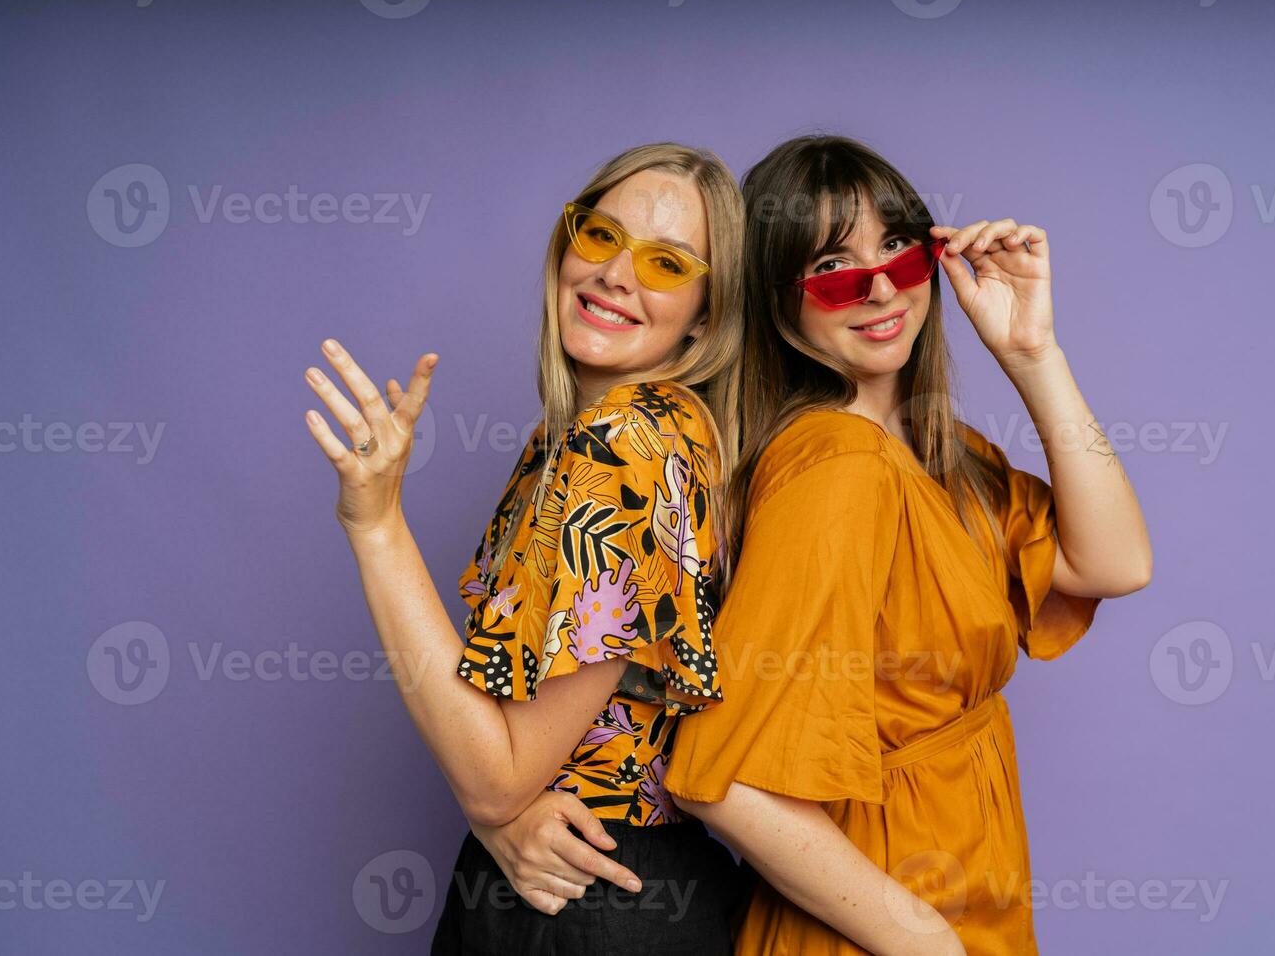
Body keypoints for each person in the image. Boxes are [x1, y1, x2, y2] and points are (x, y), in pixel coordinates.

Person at [659, 135, 1154, 955]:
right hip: (882, 911)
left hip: (966, 878)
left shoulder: (940, 450)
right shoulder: (838, 464)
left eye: (898, 247)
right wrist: (924, 939)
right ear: (780, 300)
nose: (881, 286)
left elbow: (1115, 563)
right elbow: (726, 778)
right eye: (833, 267)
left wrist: (1034, 355)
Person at [301, 142, 750, 953]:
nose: (618, 275)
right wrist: (503, 817)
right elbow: (499, 757)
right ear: (565, 241)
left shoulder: (628, 442)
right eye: (603, 236)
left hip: (590, 900)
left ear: (708, 316)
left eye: (667, 263)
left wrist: (377, 524)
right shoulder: (586, 435)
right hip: (588, 887)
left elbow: (499, 774)